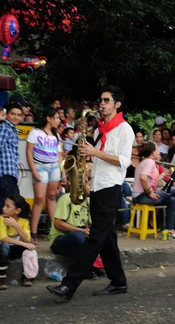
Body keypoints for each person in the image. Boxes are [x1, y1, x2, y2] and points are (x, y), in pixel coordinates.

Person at [46, 85, 135, 302]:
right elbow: (96, 158)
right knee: (107, 239)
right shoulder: (99, 130)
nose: (102, 104)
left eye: (106, 100)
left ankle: (69, 285)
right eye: (101, 100)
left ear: (117, 104)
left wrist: (96, 152)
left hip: (111, 188)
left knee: (95, 237)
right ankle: (118, 281)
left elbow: (125, 161)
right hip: (96, 186)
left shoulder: (125, 129)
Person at [26, 108, 64, 244]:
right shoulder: (35, 132)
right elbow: (29, 153)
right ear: (49, 118)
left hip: (54, 166)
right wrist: (33, 170)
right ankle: (33, 231)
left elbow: (59, 155)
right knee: (39, 199)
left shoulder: (56, 136)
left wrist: (62, 172)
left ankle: (54, 231)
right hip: (40, 166)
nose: (59, 121)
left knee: (52, 196)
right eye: (57, 118)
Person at [48, 186, 104, 280]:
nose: (91, 186)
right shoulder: (66, 198)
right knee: (78, 237)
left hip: (79, 235)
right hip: (59, 239)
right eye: (88, 183)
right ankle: (85, 269)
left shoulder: (88, 201)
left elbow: (89, 223)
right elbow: (58, 224)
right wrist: (80, 230)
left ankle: (92, 267)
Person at [131, 142, 175, 238]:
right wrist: (150, 193)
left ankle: (169, 229)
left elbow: (150, 181)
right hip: (142, 196)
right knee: (174, 190)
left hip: (139, 196)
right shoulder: (150, 162)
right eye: (157, 150)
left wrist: (162, 176)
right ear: (153, 152)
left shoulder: (144, 161)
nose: (159, 152)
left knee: (172, 200)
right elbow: (143, 178)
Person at [0, 194, 35, 289]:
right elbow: (3, 238)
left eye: (7, 206)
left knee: (30, 247)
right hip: (2, 252)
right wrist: (22, 243)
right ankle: (1, 278)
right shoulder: (1, 219)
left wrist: (16, 225)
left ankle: (27, 276)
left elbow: (27, 238)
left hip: (14, 250)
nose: (3, 208)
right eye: (4, 205)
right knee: (4, 244)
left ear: (17, 211)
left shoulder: (24, 221)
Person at [0, 102, 23, 209]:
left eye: (19, 115)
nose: (16, 117)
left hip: (11, 174)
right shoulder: (5, 128)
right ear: (7, 114)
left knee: (12, 205)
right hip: (5, 174)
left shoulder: (13, 130)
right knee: (6, 204)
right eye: (13, 114)